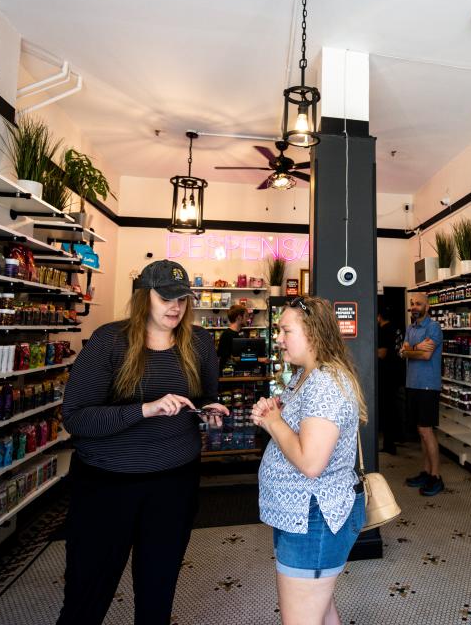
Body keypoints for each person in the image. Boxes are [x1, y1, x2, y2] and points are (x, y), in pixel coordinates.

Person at [57, 260, 227, 625]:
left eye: (182, 298)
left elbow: (204, 397)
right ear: (142, 296)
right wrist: (143, 410)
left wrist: (209, 412)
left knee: (158, 588)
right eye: (165, 297)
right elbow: (75, 418)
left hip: (175, 482)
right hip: (107, 485)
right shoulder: (109, 341)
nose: (176, 306)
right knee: (88, 590)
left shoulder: (199, 342)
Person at [251, 296, 366, 625]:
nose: (278, 338)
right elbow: (295, 429)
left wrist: (274, 422)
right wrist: (274, 416)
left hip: (315, 518)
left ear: (313, 334)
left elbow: (311, 462)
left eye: (286, 330)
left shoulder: (326, 383)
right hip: (302, 517)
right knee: (320, 610)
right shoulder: (304, 376)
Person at [400, 293, 444, 496]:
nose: (414, 307)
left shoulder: (433, 327)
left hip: (428, 386)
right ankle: (426, 472)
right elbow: (403, 352)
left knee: (427, 431)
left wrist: (411, 350)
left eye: (418, 303)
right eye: (412, 304)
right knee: (420, 431)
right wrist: (413, 348)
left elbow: (426, 355)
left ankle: (436, 476)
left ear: (427, 306)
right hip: (412, 384)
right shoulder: (411, 328)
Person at [376, 304, 403, 455]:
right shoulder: (397, 328)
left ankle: (389, 444)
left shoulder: (383, 331)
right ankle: (399, 437)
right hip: (398, 373)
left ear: (379, 316)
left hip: (386, 375)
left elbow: (382, 353)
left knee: (388, 409)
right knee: (396, 407)